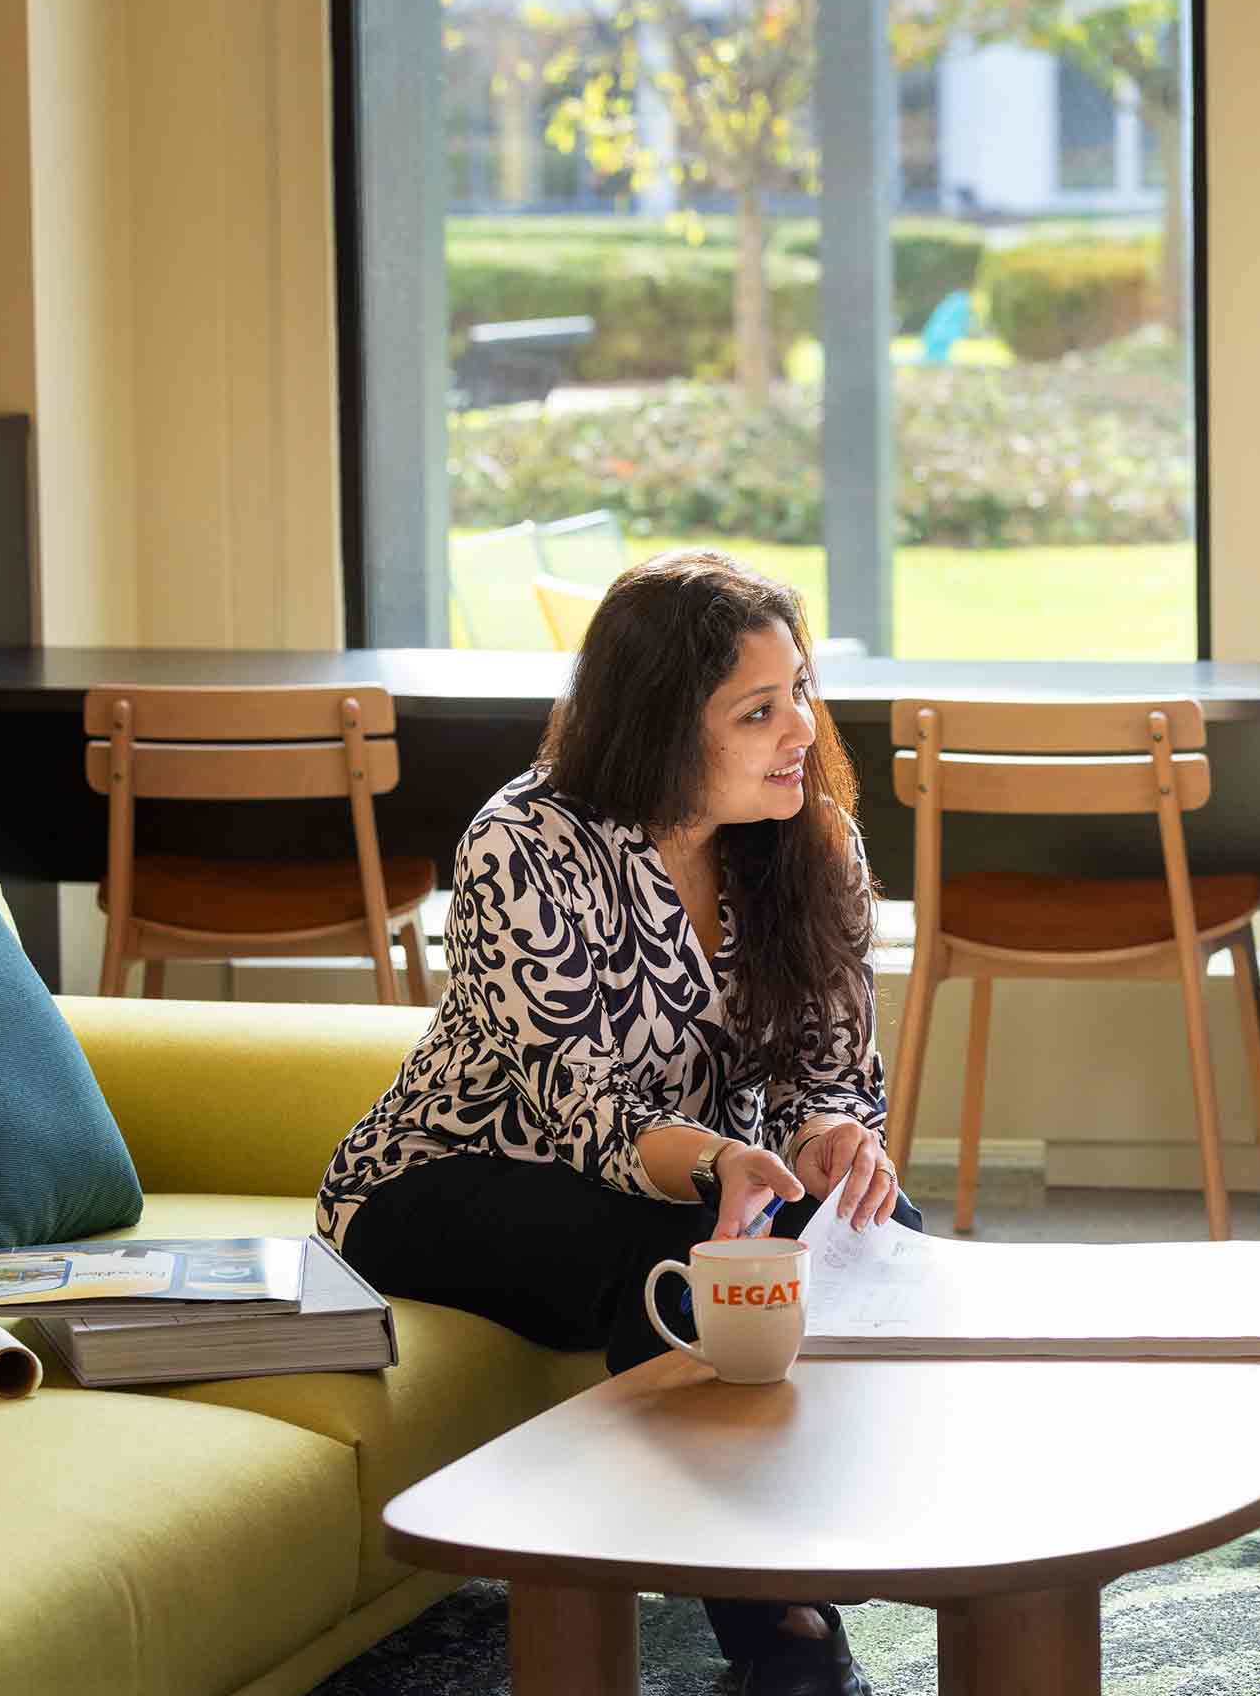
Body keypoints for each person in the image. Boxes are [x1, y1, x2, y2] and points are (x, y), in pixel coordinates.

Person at [318, 550, 908, 1696]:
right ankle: (786, 1635)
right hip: (451, 1182)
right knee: (691, 1271)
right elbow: (589, 1116)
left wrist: (834, 1137)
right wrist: (730, 1164)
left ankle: (846, 1542)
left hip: (698, 1178)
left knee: (878, 1231)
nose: (802, 728)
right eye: (758, 708)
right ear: (659, 726)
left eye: (801, 689)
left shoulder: (811, 837)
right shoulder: (522, 845)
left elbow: (830, 1071)